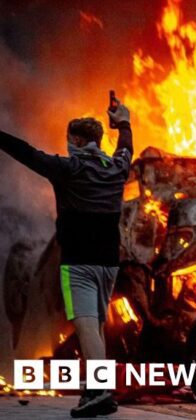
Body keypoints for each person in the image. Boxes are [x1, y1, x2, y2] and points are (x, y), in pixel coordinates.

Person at [0, 102, 133, 417]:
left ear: (74, 141)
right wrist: (123, 123)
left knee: (86, 326)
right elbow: (127, 147)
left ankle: (100, 392)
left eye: (67, 138)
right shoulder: (117, 167)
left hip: (79, 263)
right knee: (96, 324)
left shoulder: (66, 168)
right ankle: (93, 392)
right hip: (109, 262)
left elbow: (27, 153)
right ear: (98, 140)